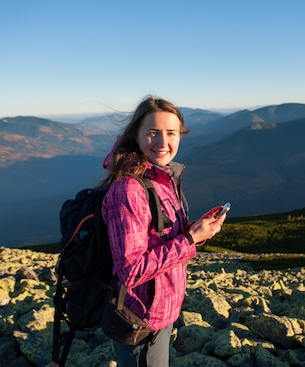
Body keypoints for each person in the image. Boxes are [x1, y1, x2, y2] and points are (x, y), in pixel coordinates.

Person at [100, 96, 227, 366]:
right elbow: (131, 270)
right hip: (139, 318)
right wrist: (191, 239)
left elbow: (162, 238)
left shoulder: (161, 176)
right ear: (136, 135)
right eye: (153, 133)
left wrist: (195, 231)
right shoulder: (130, 189)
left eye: (171, 133)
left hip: (159, 311)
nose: (162, 142)